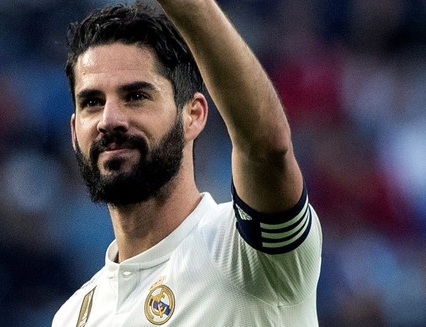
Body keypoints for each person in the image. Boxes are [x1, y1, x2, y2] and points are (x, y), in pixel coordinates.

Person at [53, 0, 322, 326]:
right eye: (92, 102)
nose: (109, 119)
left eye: (136, 96)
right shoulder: (74, 316)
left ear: (192, 115)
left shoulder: (245, 252)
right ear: (73, 129)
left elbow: (266, 150)